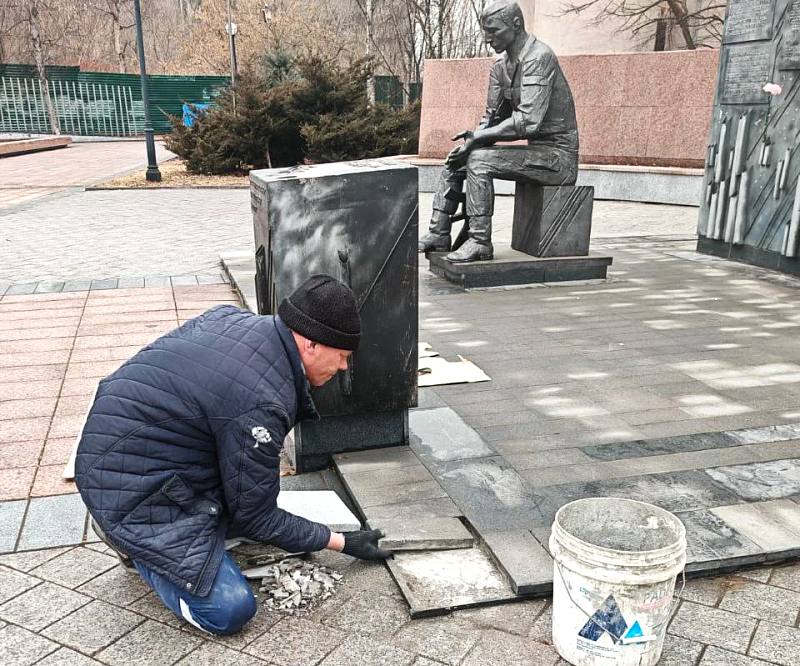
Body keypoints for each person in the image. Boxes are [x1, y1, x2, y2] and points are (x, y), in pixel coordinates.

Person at [75, 274, 391, 636]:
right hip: (132, 490)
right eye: (343, 356)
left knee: (249, 504)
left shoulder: (238, 322)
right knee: (229, 610)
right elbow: (258, 518)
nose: (344, 367)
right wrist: (343, 542)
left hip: (130, 454)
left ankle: (136, 531)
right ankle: (132, 545)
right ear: (311, 344)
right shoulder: (261, 401)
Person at [418, 0, 579, 263]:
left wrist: (479, 139)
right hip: (537, 153)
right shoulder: (500, 68)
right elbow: (491, 118)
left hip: (559, 159)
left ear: (516, 24)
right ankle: (439, 233)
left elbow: (528, 121)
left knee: (479, 162)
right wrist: (471, 142)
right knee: (457, 159)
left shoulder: (540, 57)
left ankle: (480, 241)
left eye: (493, 30)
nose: (487, 38)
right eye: (485, 31)